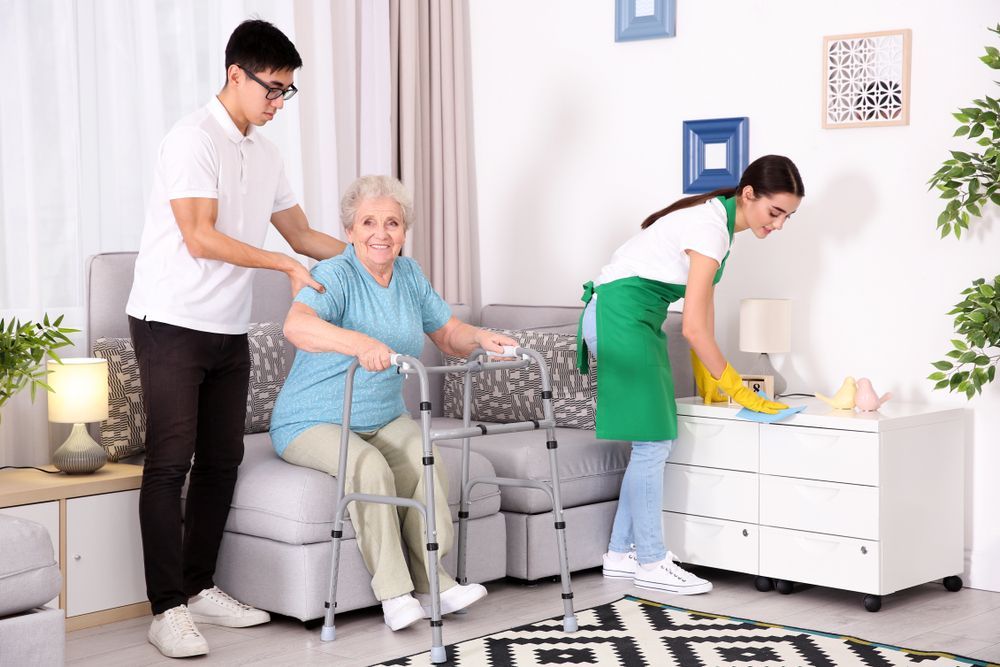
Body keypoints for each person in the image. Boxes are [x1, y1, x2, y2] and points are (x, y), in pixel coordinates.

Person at [125, 20, 347, 658]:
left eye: (287, 93)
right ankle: (165, 609)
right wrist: (282, 267)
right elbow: (200, 235)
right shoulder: (191, 139)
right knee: (171, 463)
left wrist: (369, 254)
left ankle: (197, 591)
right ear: (235, 75)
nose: (279, 103)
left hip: (226, 325)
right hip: (169, 320)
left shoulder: (266, 152)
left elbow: (303, 236)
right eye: (272, 90)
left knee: (223, 461)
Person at [269, 175, 516, 631]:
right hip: (313, 419)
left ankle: (434, 583)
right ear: (349, 231)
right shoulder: (334, 275)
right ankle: (394, 595)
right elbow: (296, 326)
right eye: (368, 222)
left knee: (427, 462)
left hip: (382, 415)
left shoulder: (409, 274)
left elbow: (446, 333)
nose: (381, 233)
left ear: (404, 231)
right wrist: (358, 342)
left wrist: (481, 338)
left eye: (392, 223)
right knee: (369, 468)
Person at [577, 154, 804, 595]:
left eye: (788, 217)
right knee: (655, 441)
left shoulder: (718, 226)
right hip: (620, 317)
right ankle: (651, 560)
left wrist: (711, 381)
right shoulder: (709, 229)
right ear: (749, 194)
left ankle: (621, 554)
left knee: (650, 442)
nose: (778, 225)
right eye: (775, 212)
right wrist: (741, 392)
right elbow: (694, 327)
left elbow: (702, 319)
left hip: (624, 317)